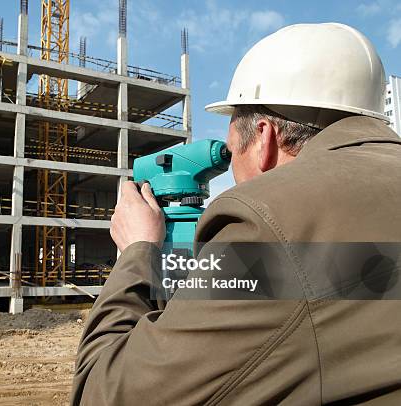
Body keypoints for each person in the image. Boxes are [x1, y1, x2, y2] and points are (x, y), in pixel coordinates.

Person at [71, 23, 401, 405]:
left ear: (263, 138)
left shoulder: (266, 224)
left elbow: (107, 392)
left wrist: (137, 251)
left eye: (232, 150)